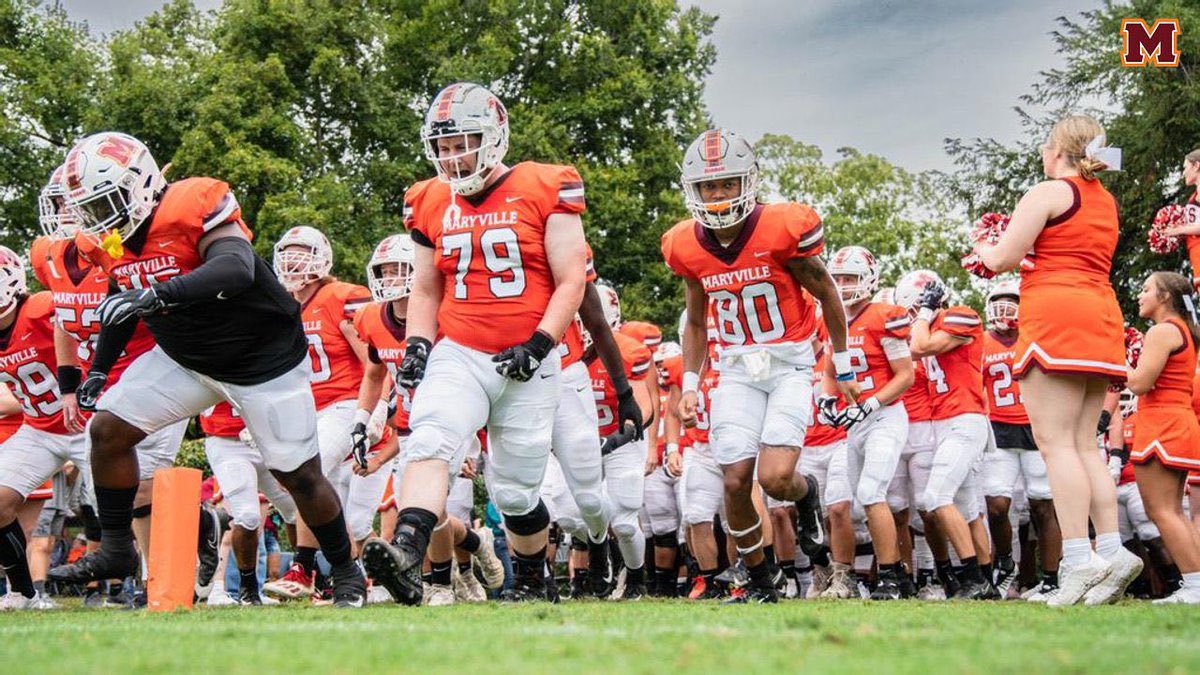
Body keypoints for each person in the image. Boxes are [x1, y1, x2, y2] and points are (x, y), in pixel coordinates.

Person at [47, 132, 367, 608]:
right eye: (91, 210)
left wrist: (159, 295)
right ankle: (116, 550)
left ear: (141, 184)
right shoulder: (112, 242)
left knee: (298, 475)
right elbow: (121, 301)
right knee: (108, 430)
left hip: (262, 362)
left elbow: (235, 269)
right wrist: (97, 372)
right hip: (189, 360)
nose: (100, 219)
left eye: (107, 202)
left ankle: (346, 573)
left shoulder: (191, 204)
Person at [661, 128, 856, 603]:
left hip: (788, 363)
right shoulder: (685, 244)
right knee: (733, 481)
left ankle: (805, 492)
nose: (719, 194)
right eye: (709, 186)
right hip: (734, 369)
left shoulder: (781, 228)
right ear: (694, 190)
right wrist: (690, 382)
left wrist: (843, 364)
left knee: (774, 478)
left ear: (747, 181)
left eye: (727, 183)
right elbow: (696, 321)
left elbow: (828, 292)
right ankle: (762, 577)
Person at [974, 114, 1142, 606]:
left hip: (1057, 314)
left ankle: (1076, 559)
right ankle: (1111, 549)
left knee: (1056, 445)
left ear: (1056, 150)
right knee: (1085, 445)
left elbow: (1003, 258)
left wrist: (982, 245)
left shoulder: (1048, 193)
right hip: (1100, 314)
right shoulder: (1105, 201)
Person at [353, 234, 504, 606]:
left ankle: (440, 584)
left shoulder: (445, 314)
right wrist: (362, 420)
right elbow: (375, 374)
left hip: (450, 421)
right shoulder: (372, 318)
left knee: (431, 509)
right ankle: (472, 542)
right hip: (407, 425)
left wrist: (476, 441)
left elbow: (474, 375)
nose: (389, 278)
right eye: (383, 271)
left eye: (397, 269)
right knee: (423, 512)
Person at [260, 225, 383, 600]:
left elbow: (375, 361)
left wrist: (375, 412)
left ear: (322, 259)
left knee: (309, 471)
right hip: (308, 409)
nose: (294, 262)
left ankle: (305, 568)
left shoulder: (343, 297)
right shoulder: (281, 308)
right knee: (299, 482)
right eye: (288, 254)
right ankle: (346, 569)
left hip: (347, 403)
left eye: (303, 253)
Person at [824, 246, 914, 600]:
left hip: (885, 416)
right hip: (856, 422)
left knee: (871, 492)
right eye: (839, 278)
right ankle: (900, 576)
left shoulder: (884, 316)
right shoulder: (832, 318)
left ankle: (891, 577)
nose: (844, 286)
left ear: (869, 280)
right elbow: (829, 373)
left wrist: (872, 402)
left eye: (851, 278)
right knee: (861, 503)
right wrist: (827, 399)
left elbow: (905, 375)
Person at [0, 247, 83, 610]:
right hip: (39, 430)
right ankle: (24, 593)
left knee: (129, 503)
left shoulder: (42, 307)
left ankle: (163, 583)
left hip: (86, 423)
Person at [905, 269, 996, 600]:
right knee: (968, 509)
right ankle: (987, 581)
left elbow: (921, 345)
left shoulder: (962, 316)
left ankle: (972, 579)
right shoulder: (928, 324)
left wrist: (927, 314)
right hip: (943, 423)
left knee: (935, 498)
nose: (913, 316)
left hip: (964, 419)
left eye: (915, 308)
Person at [978, 279, 1062, 599]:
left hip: (1035, 426)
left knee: (1043, 506)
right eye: (998, 300)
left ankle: (1052, 578)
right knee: (997, 505)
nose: (1004, 307)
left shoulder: (1036, 338)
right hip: (998, 427)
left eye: (1011, 300)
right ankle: (1005, 562)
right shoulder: (981, 342)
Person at [1125, 272, 1200, 604]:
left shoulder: (1163, 331)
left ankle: (1195, 586)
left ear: (1165, 297)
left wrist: (1114, 361)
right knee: (1172, 511)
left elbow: (1140, 383)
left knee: (1163, 512)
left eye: (1146, 290)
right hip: (1174, 422)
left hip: (1163, 425)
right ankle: (1195, 582)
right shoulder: (1181, 330)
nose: (1140, 296)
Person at [199, 403, 298, 605]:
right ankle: (248, 588)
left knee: (298, 510)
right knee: (247, 516)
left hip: (268, 441)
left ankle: (305, 570)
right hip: (227, 442)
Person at [1160, 149, 1200, 289]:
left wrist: (1178, 230)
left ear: (1196, 166)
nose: (1183, 173)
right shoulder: (1196, 192)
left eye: (1185, 167)